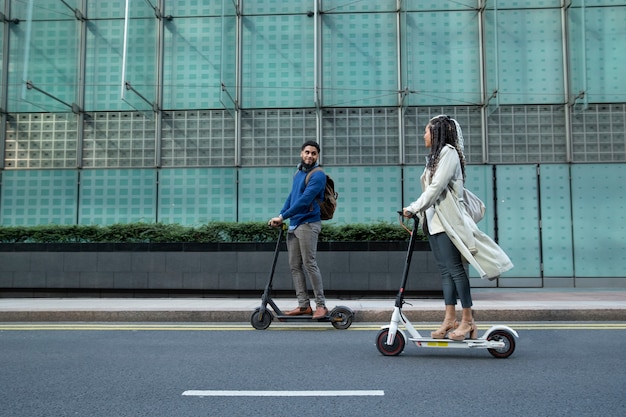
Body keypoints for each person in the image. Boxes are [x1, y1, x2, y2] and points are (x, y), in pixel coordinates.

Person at [403, 115, 513, 341]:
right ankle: (449, 319)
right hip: (433, 223)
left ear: (437, 133)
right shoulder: (434, 158)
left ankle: (467, 320)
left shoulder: (448, 153)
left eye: (426, 131)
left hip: (448, 223)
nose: (423, 135)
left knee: (456, 271)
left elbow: (435, 188)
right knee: (446, 273)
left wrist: (413, 207)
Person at [268, 140, 328, 320]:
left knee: (310, 264)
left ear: (317, 156)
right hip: (294, 224)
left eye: (314, 153)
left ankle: (321, 305)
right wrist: (281, 214)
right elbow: (292, 197)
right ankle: (303, 305)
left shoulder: (318, 175)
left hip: (308, 224)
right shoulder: (298, 174)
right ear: (301, 153)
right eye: (307, 152)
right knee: (295, 266)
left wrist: (283, 217)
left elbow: (304, 201)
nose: (310, 155)